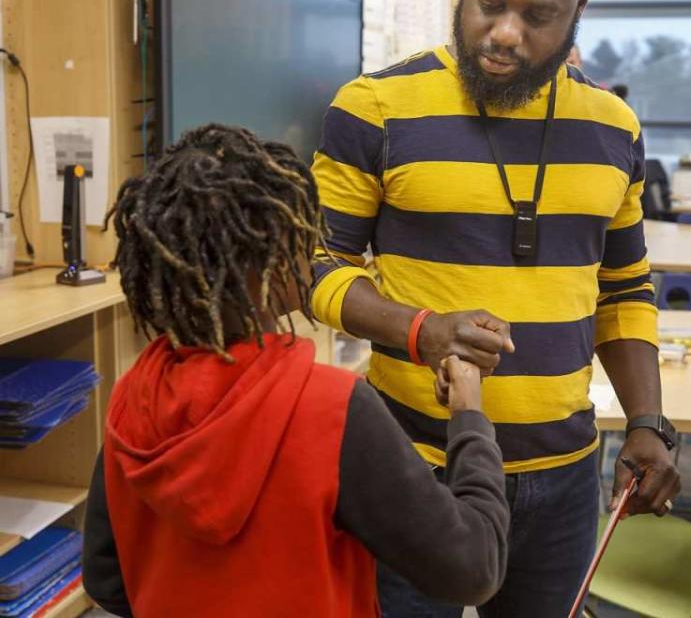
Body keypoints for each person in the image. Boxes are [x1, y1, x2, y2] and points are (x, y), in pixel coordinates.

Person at [310, 0, 681, 615]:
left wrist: (647, 420)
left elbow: (625, 290)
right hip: (412, 470)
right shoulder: (374, 108)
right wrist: (423, 329)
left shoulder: (615, 129)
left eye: (538, 15)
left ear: (581, 3)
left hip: (567, 477)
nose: (505, 34)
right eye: (490, 2)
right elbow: (315, 266)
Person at [81, 124, 509, 617]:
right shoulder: (331, 408)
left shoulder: (134, 392)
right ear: (277, 268)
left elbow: (106, 580)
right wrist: (469, 419)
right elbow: (473, 568)